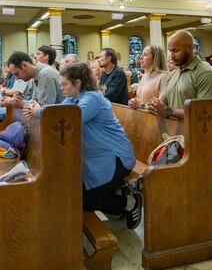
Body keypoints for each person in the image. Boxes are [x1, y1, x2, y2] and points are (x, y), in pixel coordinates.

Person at [23, 63, 142, 229]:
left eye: (64, 84)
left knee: (85, 200)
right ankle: (111, 191)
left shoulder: (92, 98)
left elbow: (70, 117)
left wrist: (38, 111)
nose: (61, 87)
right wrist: (39, 109)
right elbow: (60, 110)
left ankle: (127, 202)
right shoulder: (74, 98)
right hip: (97, 158)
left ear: (77, 83)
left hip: (116, 158)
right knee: (72, 192)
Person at [147, 30, 212, 119]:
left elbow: (203, 112)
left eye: (176, 51)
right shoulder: (173, 74)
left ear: (190, 48)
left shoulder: (205, 74)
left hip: (195, 131)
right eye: (170, 51)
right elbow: (164, 100)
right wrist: (154, 105)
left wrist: (167, 111)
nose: (172, 56)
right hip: (173, 129)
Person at [128, 45, 168, 110]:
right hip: (141, 116)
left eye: (145, 55)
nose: (141, 57)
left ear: (155, 58)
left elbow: (160, 107)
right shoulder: (145, 75)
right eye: (142, 54)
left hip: (154, 119)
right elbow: (141, 99)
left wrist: (141, 105)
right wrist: (134, 102)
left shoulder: (163, 76)